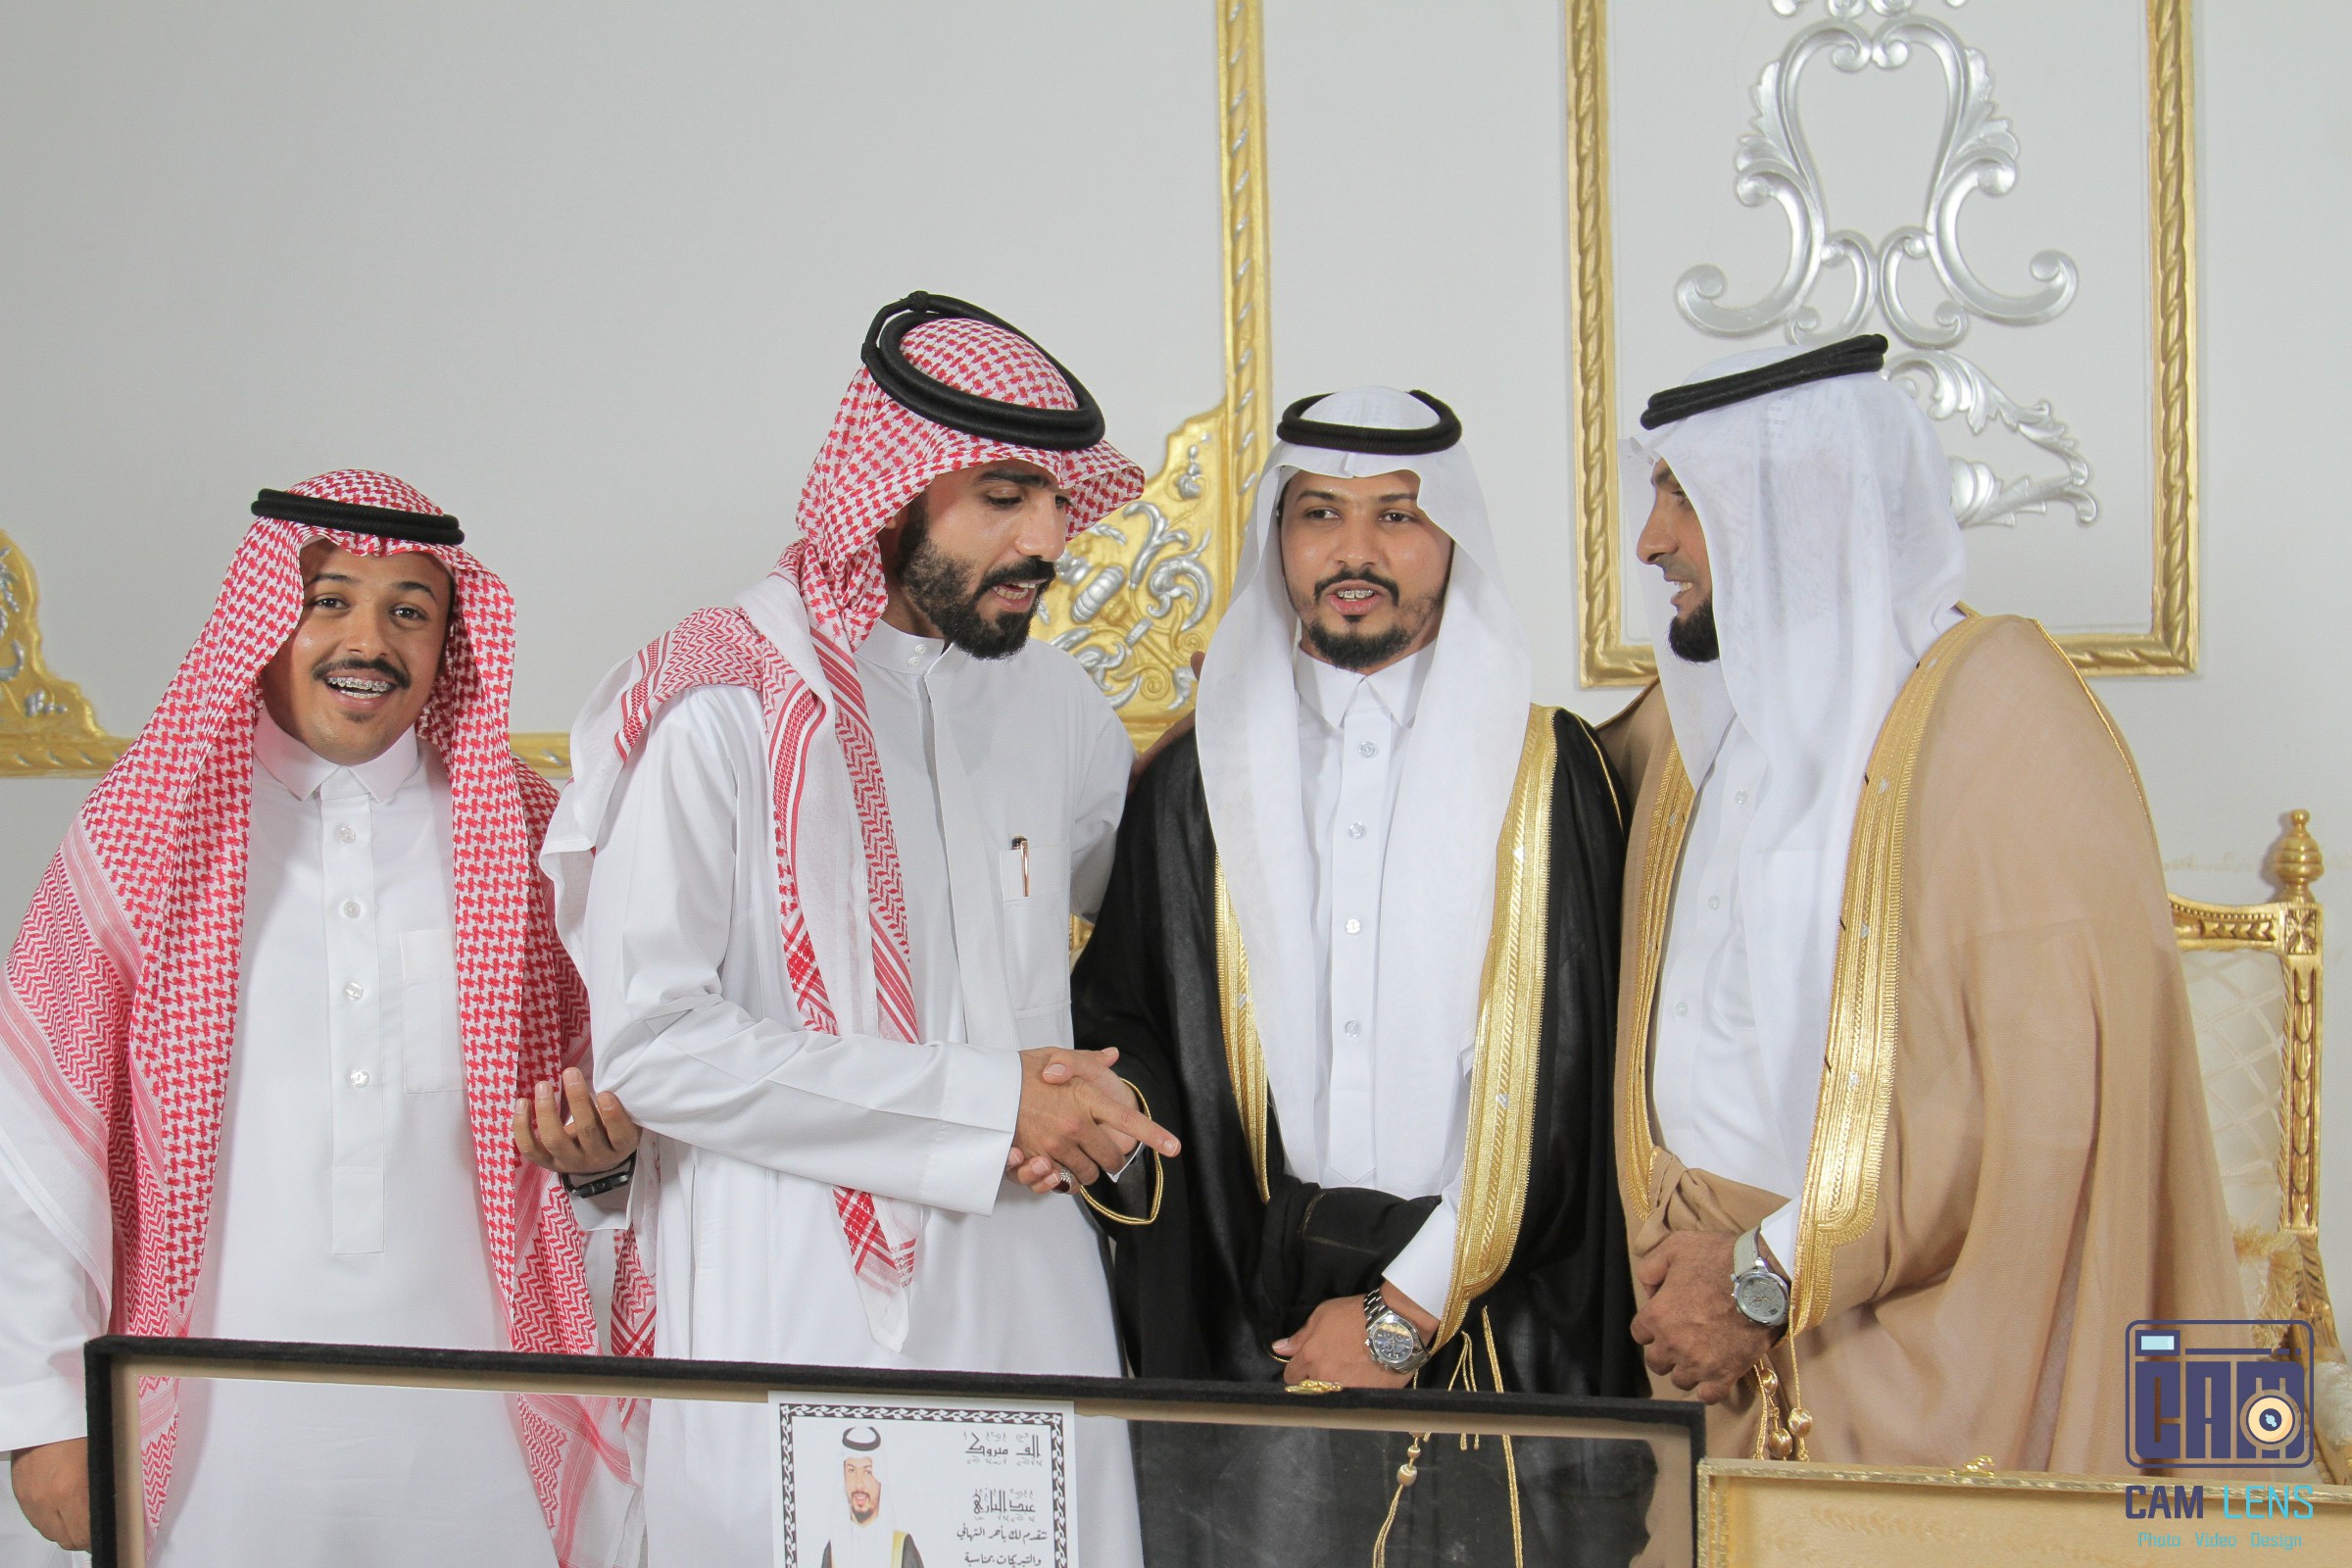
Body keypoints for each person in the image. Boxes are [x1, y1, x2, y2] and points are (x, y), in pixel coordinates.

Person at [518, 293, 1177, 1566]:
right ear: (892, 494)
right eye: (1003, 497)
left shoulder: (1060, 710)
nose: (1047, 538)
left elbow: (1125, 941)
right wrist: (984, 1101)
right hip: (796, 1294)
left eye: (1056, 500)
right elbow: (653, 1047)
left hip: (1030, 1292)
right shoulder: (724, 706)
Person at [1599, 335, 2243, 1469]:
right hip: (1689, 1354)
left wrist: (1764, 1275)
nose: (1651, 541)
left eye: (1683, 496)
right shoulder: (1694, 724)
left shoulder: (2003, 723)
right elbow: (1538, 833)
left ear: (1800, 504)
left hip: (1931, 1361)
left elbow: (2041, 1108)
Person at [0, 473, 637, 1566]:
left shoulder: (536, 842)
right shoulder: (145, 838)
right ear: (264, 617)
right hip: (210, 1435)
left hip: (486, 1429)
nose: (368, 641)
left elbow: (620, 1127)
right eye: (328, 600)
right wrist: (42, 1410)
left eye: (409, 611)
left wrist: (606, 1166)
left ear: (449, 640)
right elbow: (33, 1142)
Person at [1069, 388, 1651, 1566]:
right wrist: (1109, 1114)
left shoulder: (1550, 773)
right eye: (1320, 513)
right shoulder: (1195, 785)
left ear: (1454, 539)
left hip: (1496, 1326)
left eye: (1398, 516)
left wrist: (1404, 1310)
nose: (1355, 552)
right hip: (1262, 1325)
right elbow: (1131, 1028)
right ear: (1278, 539)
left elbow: (1574, 1083)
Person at [821, 1426, 920, 1568]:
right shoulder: (834, 1550)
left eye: (868, 1472)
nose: (859, 1484)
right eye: (851, 1471)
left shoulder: (901, 1548)